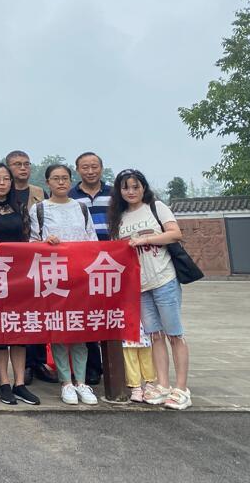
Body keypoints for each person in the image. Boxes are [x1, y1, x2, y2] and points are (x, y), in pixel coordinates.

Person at [108, 169, 191, 410]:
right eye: (126, 187)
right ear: (119, 191)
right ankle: (162, 385)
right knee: (154, 335)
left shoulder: (156, 207)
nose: (131, 192)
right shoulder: (119, 217)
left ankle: (182, 388)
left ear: (144, 187)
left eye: (136, 186)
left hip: (164, 279)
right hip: (139, 285)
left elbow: (175, 234)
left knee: (175, 334)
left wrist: (145, 239)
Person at [29, 164, 99, 406]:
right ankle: (65, 382)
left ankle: (81, 382)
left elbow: (92, 240)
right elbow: (32, 242)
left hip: (79, 276)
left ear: (71, 181)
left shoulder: (81, 207)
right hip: (54, 277)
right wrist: (45, 242)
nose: (61, 182)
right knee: (59, 329)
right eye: (55, 178)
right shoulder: (39, 209)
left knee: (80, 330)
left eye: (65, 178)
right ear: (48, 182)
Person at [0, 162, 31, 406]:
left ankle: (19, 383)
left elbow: (29, 238)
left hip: (19, 275)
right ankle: (3, 382)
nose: (2, 183)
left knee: (19, 329)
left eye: (6, 179)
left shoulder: (20, 208)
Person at [69, 151, 114, 385]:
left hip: (114, 262)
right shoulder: (70, 196)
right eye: (85, 167)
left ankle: (118, 366)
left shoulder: (115, 193)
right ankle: (93, 367)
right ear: (77, 170)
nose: (90, 171)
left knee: (113, 314)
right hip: (82, 264)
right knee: (88, 315)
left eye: (94, 166)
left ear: (101, 168)